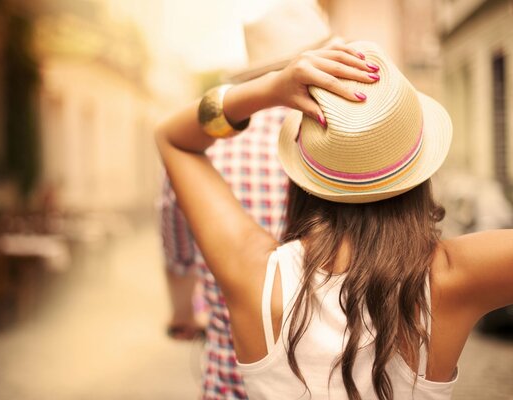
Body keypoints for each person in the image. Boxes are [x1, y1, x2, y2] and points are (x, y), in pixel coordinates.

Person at [155, 39, 513, 400]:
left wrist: (271, 89)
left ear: (304, 171)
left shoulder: (257, 277)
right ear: (418, 168)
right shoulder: (455, 276)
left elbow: (173, 138)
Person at [159, 1, 332, 397]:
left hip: (233, 382)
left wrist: (183, 313)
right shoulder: (340, 136)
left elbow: (179, 254)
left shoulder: (203, 148)